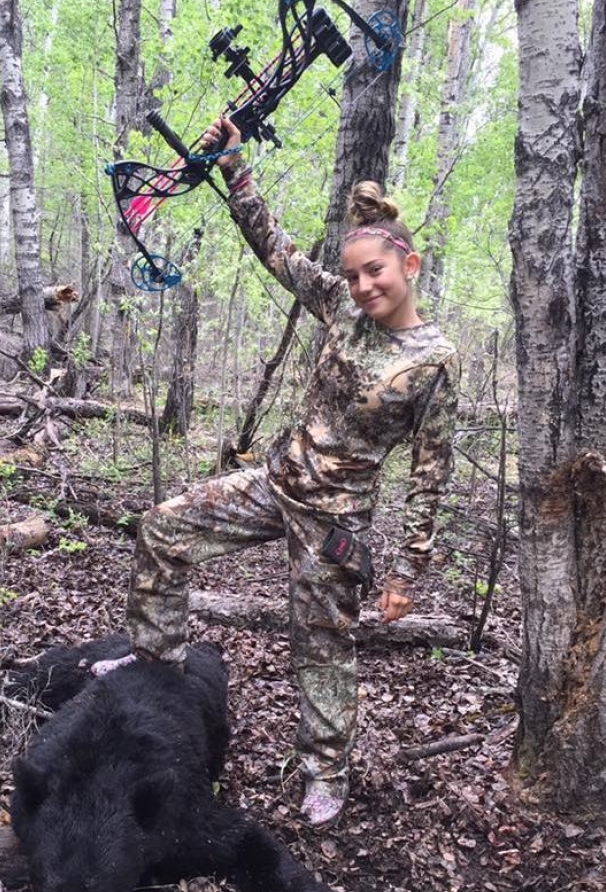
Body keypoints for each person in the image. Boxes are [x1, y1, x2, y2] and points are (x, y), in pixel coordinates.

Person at [95, 115, 460, 828]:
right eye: (353, 274)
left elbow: (431, 469)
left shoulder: (434, 359)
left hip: (335, 523)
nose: (361, 286)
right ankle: (156, 665)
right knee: (163, 529)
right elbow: (275, 249)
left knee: (321, 645)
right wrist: (235, 169)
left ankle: (326, 772)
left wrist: (408, 571)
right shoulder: (336, 307)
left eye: (374, 272)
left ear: (408, 267)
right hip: (273, 484)